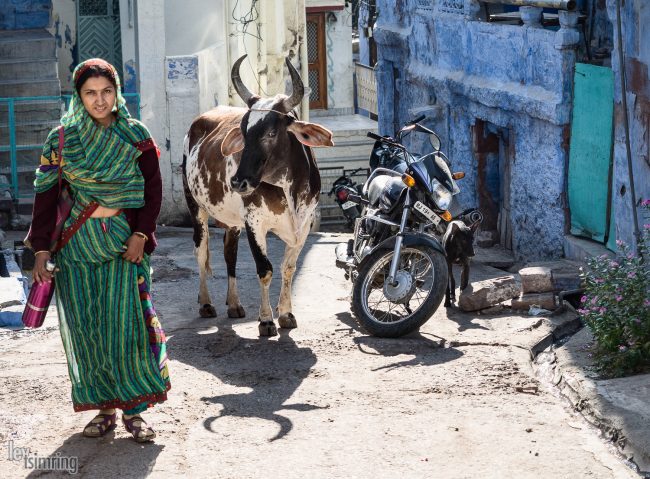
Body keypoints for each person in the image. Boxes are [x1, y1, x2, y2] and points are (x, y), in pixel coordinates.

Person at [27, 58, 170, 443]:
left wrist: (141, 234)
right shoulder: (61, 140)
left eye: (106, 92)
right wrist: (41, 250)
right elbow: (46, 196)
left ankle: (135, 411)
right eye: (90, 93)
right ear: (79, 96)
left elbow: (152, 191)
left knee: (126, 329)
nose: (99, 100)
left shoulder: (135, 135)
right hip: (75, 248)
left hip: (122, 245)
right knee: (89, 329)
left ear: (117, 92)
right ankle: (104, 408)